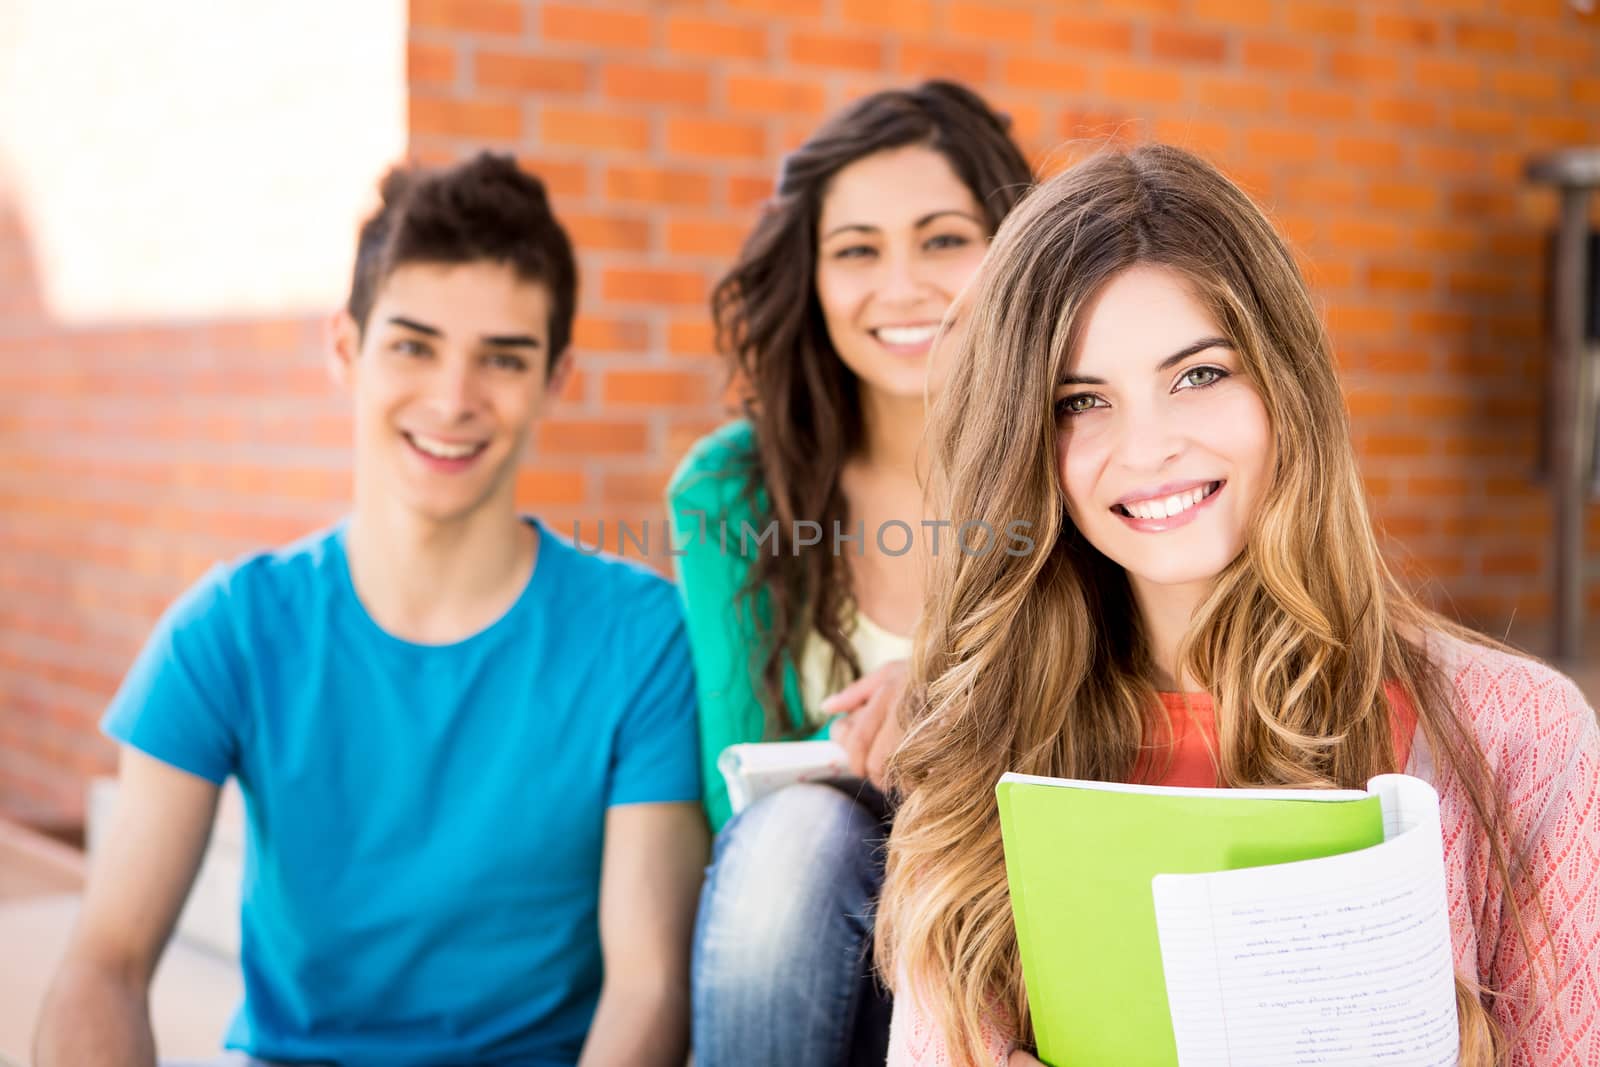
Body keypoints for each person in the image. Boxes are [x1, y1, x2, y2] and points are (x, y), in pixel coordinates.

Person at [875, 143, 1600, 1066]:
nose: (1148, 450)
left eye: (1199, 375)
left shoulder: (1521, 738)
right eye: (1081, 400)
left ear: (1285, 386)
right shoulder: (988, 740)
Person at [34, 152, 707, 1067]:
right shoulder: (230, 628)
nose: (453, 398)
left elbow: (648, 987)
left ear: (556, 379)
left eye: (503, 359)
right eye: (413, 345)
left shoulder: (640, 638)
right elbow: (104, 963)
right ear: (346, 349)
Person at [666, 81, 1033, 1066]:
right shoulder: (732, 490)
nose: (900, 285)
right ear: (812, 276)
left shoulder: (1074, 457)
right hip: (810, 938)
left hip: (1013, 916)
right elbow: (736, 794)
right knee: (792, 840)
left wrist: (950, 711)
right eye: (857, 249)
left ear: (1012, 249)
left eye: (943, 239)